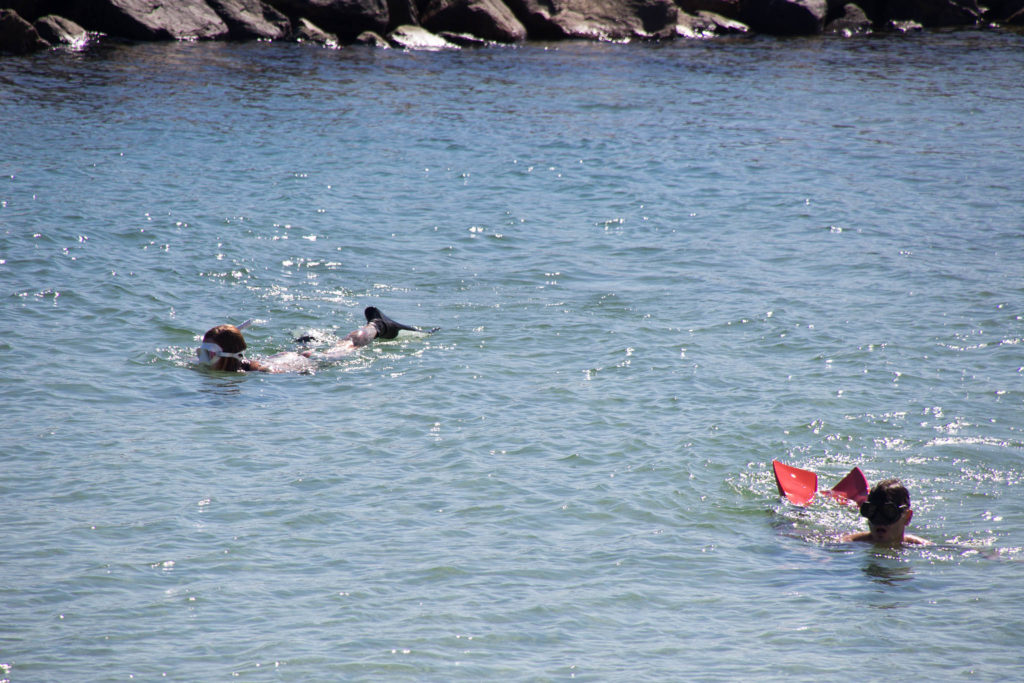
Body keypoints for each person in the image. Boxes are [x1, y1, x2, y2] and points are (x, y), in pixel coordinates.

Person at [196, 306, 428, 373]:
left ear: (226, 357)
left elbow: (285, 371)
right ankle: (309, 340)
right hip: (289, 356)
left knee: (349, 345)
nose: (201, 358)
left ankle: (377, 325)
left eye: (208, 354)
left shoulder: (260, 371)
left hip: (312, 359)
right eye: (201, 352)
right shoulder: (233, 366)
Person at [841, 479, 930, 546]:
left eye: (889, 512)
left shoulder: (923, 547)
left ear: (907, 517)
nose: (880, 521)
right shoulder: (846, 544)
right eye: (873, 512)